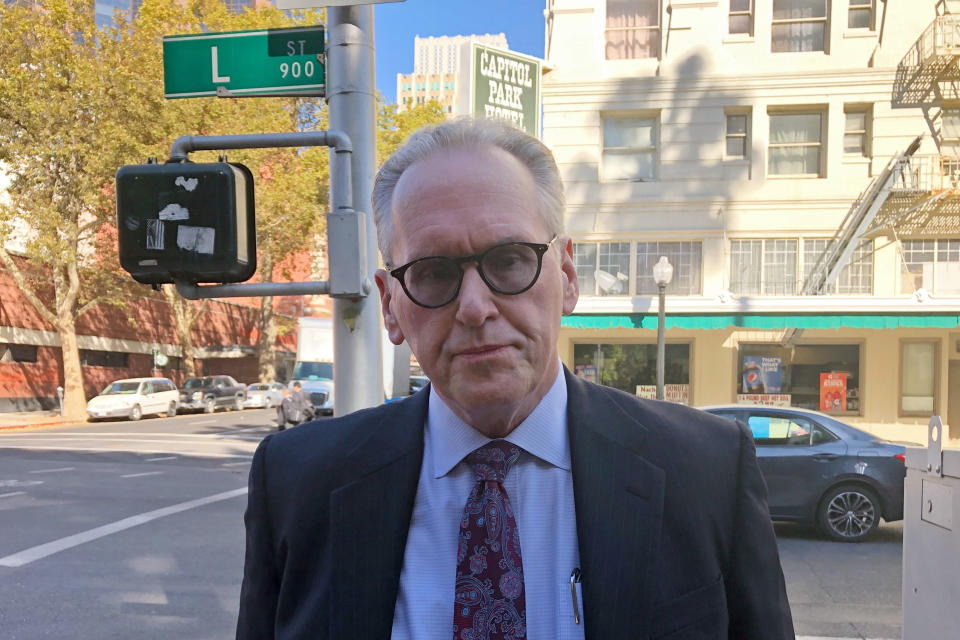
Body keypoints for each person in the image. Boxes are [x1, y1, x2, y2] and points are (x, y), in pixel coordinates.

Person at [237, 118, 794, 639]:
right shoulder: (295, 482)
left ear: (567, 276)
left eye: (508, 260)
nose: (476, 307)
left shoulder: (707, 469)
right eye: (433, 273)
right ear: (389, 306)